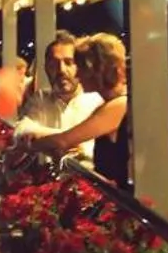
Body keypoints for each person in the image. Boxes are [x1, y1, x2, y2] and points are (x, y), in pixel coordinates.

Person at [25, 33, 130, 185]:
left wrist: (28, 144)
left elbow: (62, 141)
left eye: (79, 67)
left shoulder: (118, 105)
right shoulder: (110, 103)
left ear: (95, 69)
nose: (77, 75)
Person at [17, 31, 104, 157]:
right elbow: (21, 130)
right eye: (54, 64)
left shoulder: (96, 102)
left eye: (68, 62)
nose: (61, 70)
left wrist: (45, 139)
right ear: (46, 68)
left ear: (80, 66)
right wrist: (68, 141)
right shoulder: (41, 98)